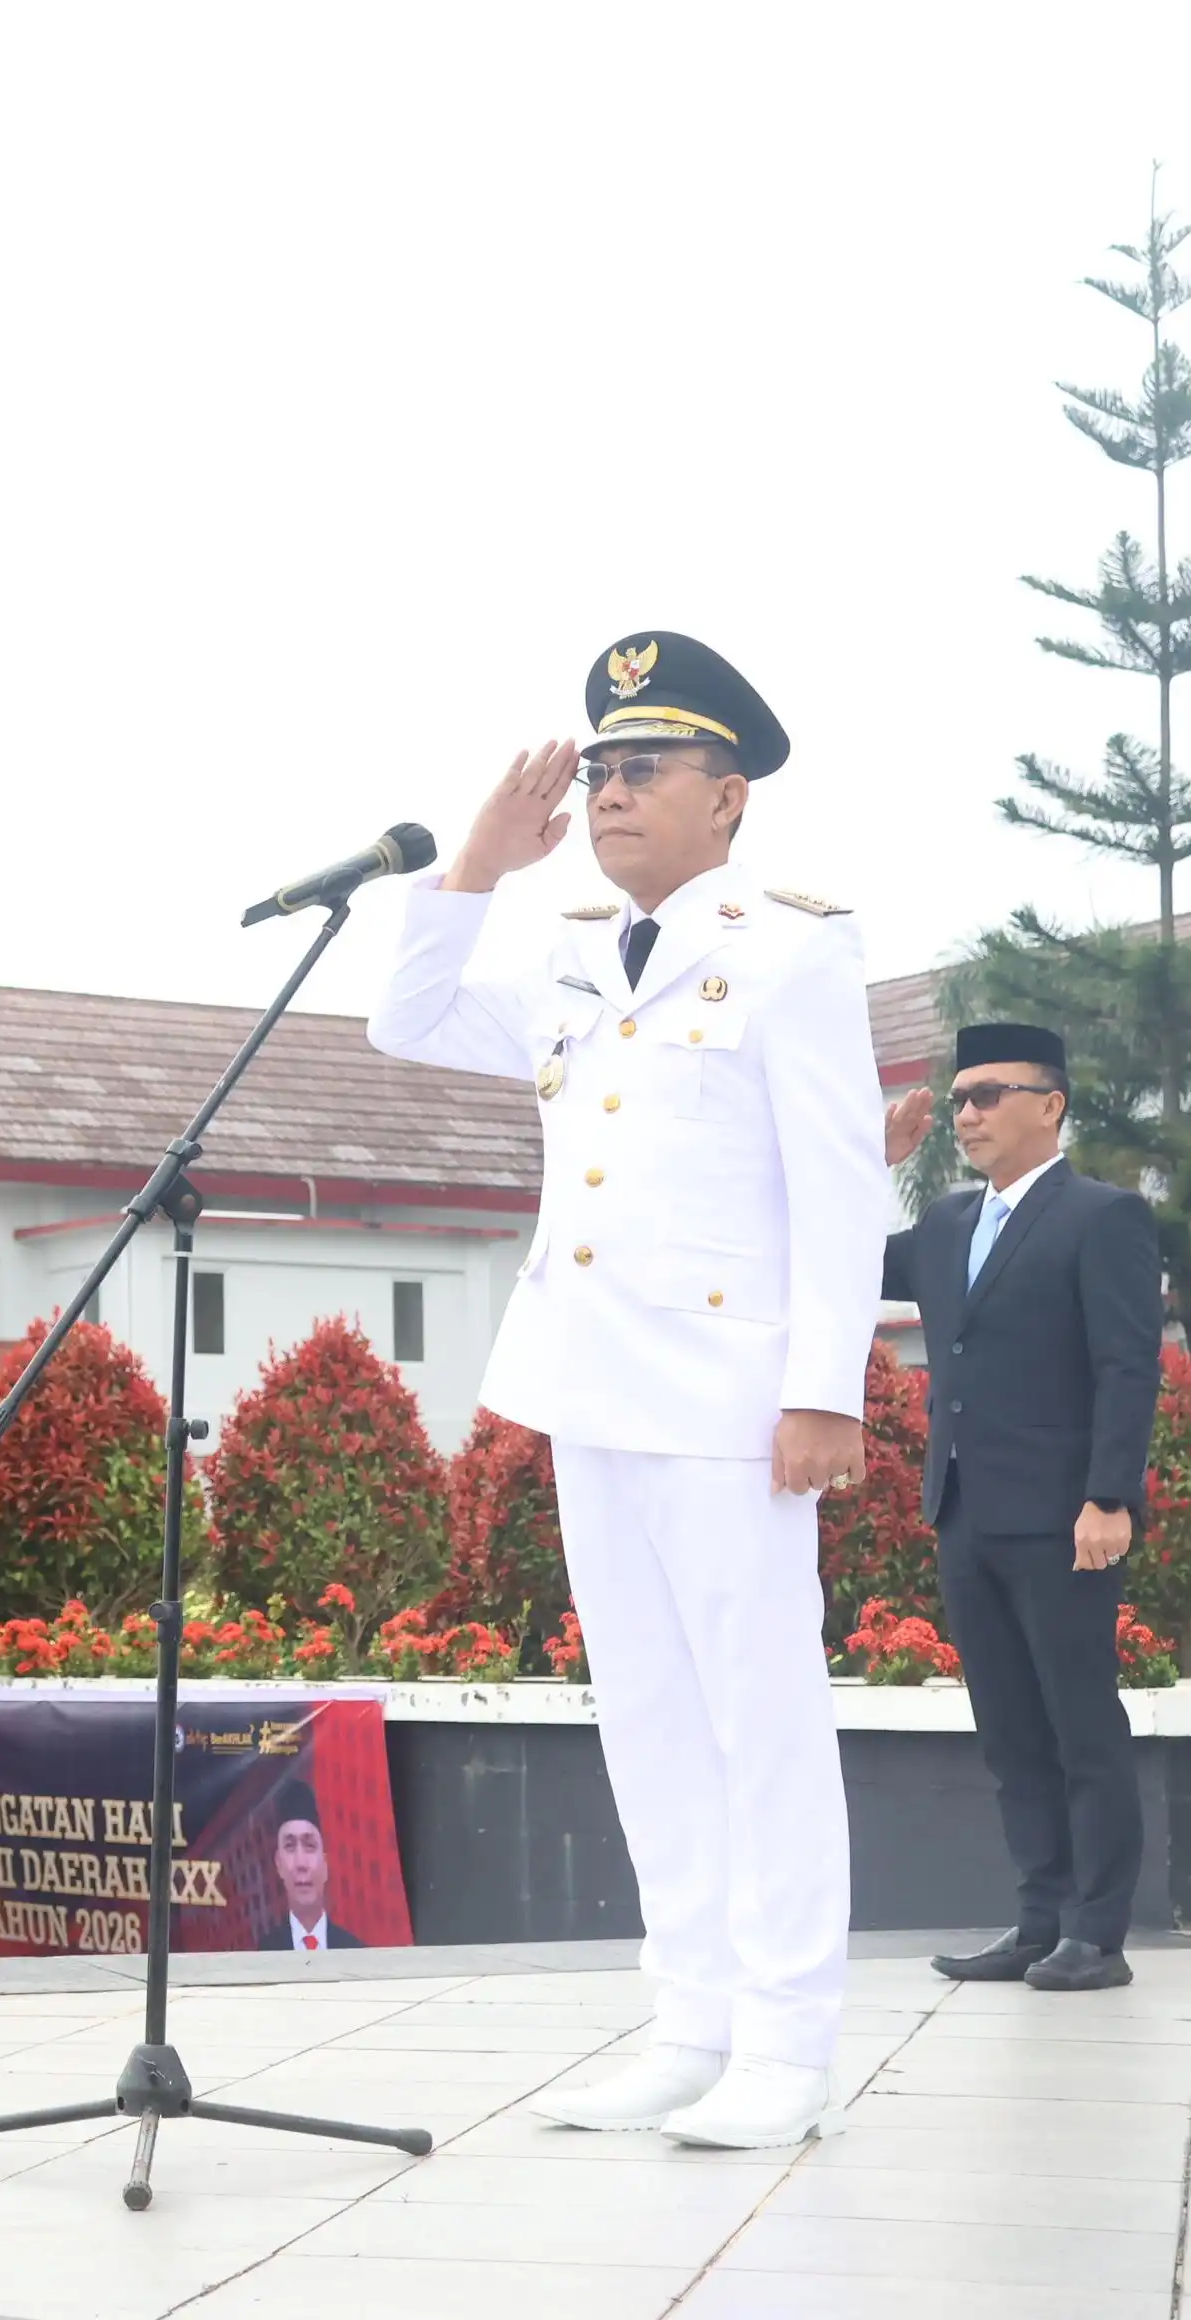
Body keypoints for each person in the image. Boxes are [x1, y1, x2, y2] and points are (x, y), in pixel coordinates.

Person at [366, 632, 882, 2150]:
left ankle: (787, 2044)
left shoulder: (793, 948)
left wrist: (826, 1388)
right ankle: (691, 2021)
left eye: (641, 767)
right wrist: (473, 866)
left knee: (761, 1720)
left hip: (732, 1396)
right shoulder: (568, 951)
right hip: (589, 1384)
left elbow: (841, 1184)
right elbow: (402, 1019)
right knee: (647, 1720)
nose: (606, 792)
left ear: (728, 798)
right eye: (595, 768)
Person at [886, 1022, 1164, 1994]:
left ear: (1049, 1104)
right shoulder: (945, 1225)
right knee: (1007, 1731)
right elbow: (834, 1261)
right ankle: (1037, 1917)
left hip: (1062, 1518)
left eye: (989, 1093)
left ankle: (1097, 1931)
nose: (967, 1113)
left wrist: (1108, 1495)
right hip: (964, 1511)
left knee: (1080, 1725)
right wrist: (865, 1164)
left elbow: (1127, 1366)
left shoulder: (1101, 1217)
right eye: (959, 1098)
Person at [261, 1779, 362, 1950]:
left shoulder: (354, 1951)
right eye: (290, 1846)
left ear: (325, 1863)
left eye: (309, 1846)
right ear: (278, 1864)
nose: (301, 1863)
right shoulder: (263, 1954)